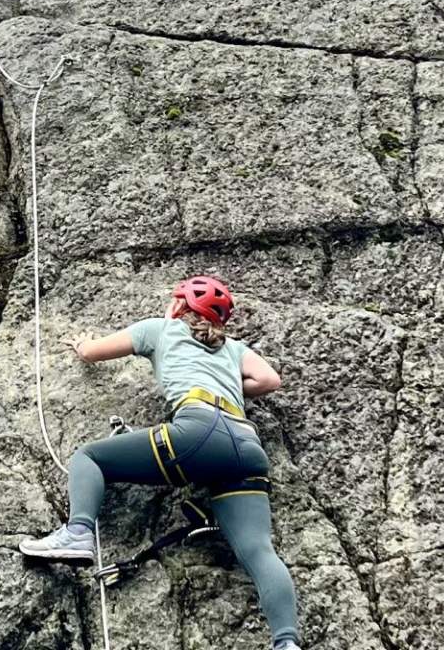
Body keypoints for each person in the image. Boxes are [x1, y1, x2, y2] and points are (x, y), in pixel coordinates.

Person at [19, 275, 302, 650]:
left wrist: (82, 344)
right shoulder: (234, 348)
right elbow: (269, 379)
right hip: (247, 446)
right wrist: (229, 383)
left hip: (198, 431)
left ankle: (78, 533)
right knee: (259, 551)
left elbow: (93, 353)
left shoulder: (160, 329)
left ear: (179, 307)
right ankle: (287, 643)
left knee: (90, 457)